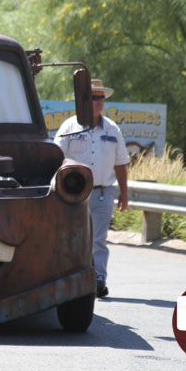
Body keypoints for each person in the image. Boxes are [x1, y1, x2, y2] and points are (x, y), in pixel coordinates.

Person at [54, 79, 129, 298]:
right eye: (94, 97)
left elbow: (121, 163)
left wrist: (124, 192)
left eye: (101, 98)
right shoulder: (69, 127)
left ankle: (98, 280)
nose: (98, 102)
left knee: (99, 239)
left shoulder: (112, 129)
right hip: (73, 193)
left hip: (103, 192)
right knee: (72, 237)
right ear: (84, 101)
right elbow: (57, 158)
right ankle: (71, 277)